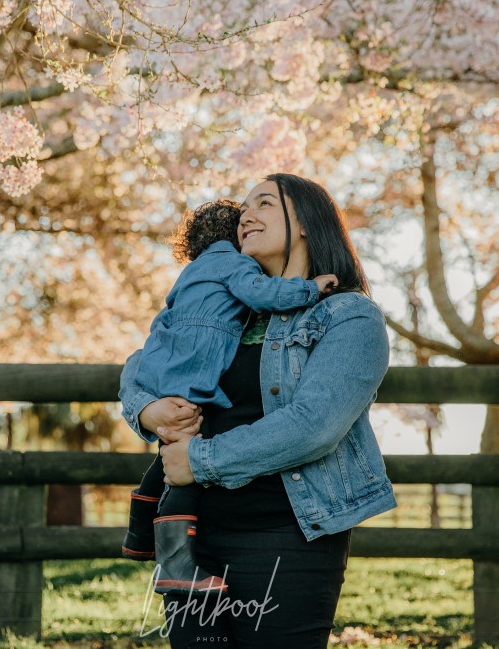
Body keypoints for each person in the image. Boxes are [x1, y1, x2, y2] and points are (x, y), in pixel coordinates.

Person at [120, 173, 396, 648]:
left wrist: (198, 460)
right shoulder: (224, 300)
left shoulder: (348, 316)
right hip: (191, 536)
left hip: (285, 535)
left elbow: (314, 426)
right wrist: (147, 409)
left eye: (265, 203)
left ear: (307, 221)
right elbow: (143, 360)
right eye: (244, 208)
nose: (246, 214)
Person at [119, 198, 340, 595]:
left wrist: (151, 397)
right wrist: (309, 289)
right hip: (194, 371)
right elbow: (261, 293)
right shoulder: (234, 264)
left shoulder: (190, 274)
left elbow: (157, 329)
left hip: (164, 363)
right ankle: (174, 562)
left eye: (265, 205)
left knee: (171, 450)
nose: (249, 222)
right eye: (244, 218)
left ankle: (138, 532)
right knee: (184, 461)